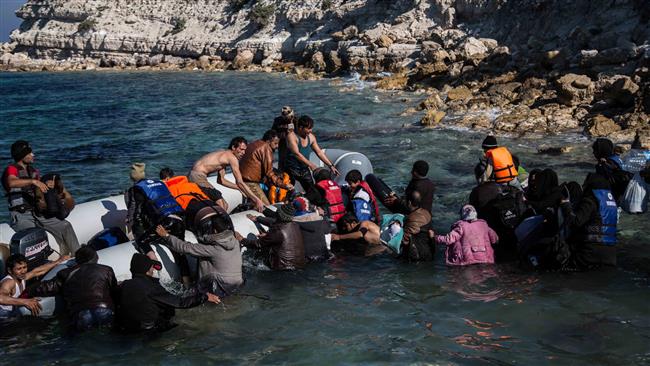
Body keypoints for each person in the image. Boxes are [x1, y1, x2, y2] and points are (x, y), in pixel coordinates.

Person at [2, 140, 80, 256]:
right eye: (30, 153)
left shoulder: (34, 172)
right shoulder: (11, 169)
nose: (33, 155)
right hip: (21, 215)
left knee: (65, 225)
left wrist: (47, 186)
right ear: (22, 155)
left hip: (38, 213)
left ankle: (78, 256)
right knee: (36, 235)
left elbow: (39, 193)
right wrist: (34, 181)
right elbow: (11, 182)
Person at [117, 253, 221, 333]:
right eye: (151, 267)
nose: (153, 270)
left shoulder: (124, 285)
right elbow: (181, 303)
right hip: (150, 330)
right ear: (148, 269)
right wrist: (205, 297)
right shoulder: (152, 288)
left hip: (128, 328)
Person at [155, 205, 244, 296]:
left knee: (194, 295)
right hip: (237, 282)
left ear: (215, 230)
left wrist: (166, 236)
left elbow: (185, 247)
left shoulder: (213, 249)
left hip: (220, 284)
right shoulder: (236, 242)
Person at [125, 163, 191, 285]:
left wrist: (135, 229)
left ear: (132, 177)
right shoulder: (159, 183)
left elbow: (137, 214)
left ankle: (154, 260)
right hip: (180, 220)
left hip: (166, 222)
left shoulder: (136, 189)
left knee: (142, 240)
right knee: (179, 253)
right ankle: (188, 284)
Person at [28, 246, 118, 331]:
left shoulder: (66, 273)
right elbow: (115, 292)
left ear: (77, 261)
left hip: (81, 315)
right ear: (96, 258)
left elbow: (46, 287)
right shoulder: (107, 270)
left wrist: (29, 289)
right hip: (105, 311)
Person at [189, 137, 265, 212]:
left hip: (194, 175)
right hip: (197, 176)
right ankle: (218, 223)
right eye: (241, 149)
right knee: (221, 204)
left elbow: (221, 180)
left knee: (225, 205)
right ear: (233, 147)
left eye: (245, 150)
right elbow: (240, 182)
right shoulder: (232, 158)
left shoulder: (223, 154)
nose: (243, 153)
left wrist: (238, 188)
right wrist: (256, 199)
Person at [559, 172, 618, 269]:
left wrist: (565, 205)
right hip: (610, 254)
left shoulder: (590, 200)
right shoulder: (611, 203)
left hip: (590, 253)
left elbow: (576, 221)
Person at [0, 253, 70, 318]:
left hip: (11, 313)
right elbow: (1, 298)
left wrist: (59, 261)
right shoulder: (9, 282)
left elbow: (37, 271)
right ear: (9, 270)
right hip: (3, 315)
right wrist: (25, 301)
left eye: (24, 267)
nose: (23, 271)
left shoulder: (22, 277)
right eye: (19, 269)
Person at [285, 115, 340, 194]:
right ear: (300, 128)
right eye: (308, 128)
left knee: (312, 192)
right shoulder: (292, 136)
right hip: (291, 170)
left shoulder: (311, 137)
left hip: (304, 169)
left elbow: (319, 152)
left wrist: (330, 165)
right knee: (288, 192)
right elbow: (296, 154)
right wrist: (311, 165)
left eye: (311, 128)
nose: (311, 130)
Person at [240, 204, 306, 270]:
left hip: (281, 268)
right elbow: (275, 224)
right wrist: (259, 219)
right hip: (299, 265)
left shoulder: (278, 231)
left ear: (278, 214)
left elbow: (258, 244)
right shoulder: (295, 225)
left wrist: (242, 239)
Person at [239, 130, 294, 205]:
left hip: (242, 180)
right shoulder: (266, 148)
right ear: (268, 142)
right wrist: (283, 185)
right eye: (275, 143)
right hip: (250, 183)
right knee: (266, 207)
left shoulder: (255, 143)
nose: (277, 146)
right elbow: (269, 173)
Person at [431, 204, 497, 266]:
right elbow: (495, 239)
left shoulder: (461, 226)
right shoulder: (484, 225)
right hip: (486, 259)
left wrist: (435, 237)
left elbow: (448, 239)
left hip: (467, 260)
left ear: (462, 215)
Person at [160, 167, 227, 223]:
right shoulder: (191, 185)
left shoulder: (166, 190)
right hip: (212, 206)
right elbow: (214, 193)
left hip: (196, 212)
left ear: (166, 179)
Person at [593, 138, 633, 202]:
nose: (593, 153)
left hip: (612, 199)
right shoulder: (617, 159)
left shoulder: (605, 165)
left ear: (601, 151)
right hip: (621, 197)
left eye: (595, 150)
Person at [401, 191, 434, 262]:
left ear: (409, 202)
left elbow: (404, 240)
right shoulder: (426, 212)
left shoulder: (413, 218)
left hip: (418, 256)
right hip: (429, 252)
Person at [272, 106, 296, 171]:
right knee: (282, 160)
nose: (286, 118)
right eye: (284, 116)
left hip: (292, 143)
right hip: (282, 143)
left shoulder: (296, 121)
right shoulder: (277, 120)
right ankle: (281, 173)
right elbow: (273, 132)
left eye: (287, 116)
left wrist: (291, 122)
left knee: (291, 160)